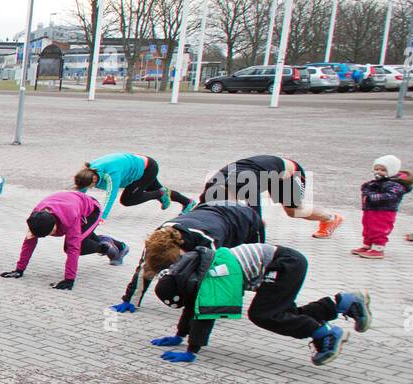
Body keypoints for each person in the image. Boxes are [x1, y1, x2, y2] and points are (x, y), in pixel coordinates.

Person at [151, 245, 372, 366]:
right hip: (284, 261)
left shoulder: (209, 281)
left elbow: (205, 315)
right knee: (284, 314)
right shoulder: (189, 274)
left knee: (263, 314)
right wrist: (179, 335)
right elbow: (194, 307)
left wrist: (192, 351)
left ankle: (325, 334)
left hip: (284, 263)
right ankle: (343, 303)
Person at [111, 201, 265, 311]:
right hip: (209, 210)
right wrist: (130, 300)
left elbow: (213, 277)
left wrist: (207, 308)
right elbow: (146, 269)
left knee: (249, 268)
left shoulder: (208, 242)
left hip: (243, 219)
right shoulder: (156, 240)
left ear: (181, 251)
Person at [0, 182, 126, 290]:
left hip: (91, 210)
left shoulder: (70, 217)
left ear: (55, 224)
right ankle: (117, 245)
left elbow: (73, 249)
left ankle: (105, 247)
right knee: (80, 238)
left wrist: (69, 280)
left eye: (51, 233)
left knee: (75, 244)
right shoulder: (36, 218)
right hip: (73, 203)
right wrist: (19, 270)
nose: (52, 235)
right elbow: (29, 243)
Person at [199, 155, 343, 238]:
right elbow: (199, 213)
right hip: (265, 172)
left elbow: (257, 222)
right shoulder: (210, 189)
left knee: (294, 211)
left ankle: (331, 218)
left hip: (288, 173)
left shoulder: (246, 186)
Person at [77, 152, 189, 221]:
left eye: (91, 185)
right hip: (137, 164)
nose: (91, 187)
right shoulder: (88, 172)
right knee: (155, 189)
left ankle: (161, 194)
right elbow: (80, 192)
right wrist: (75, 209)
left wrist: (102, 217)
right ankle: (188, 202)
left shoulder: (111, 174)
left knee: (128, 199)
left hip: (146, 169)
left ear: (94, 178)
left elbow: (110, 196)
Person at [353, 155, 413, 260]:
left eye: (383, 170)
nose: (379, 172)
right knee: (368, 227)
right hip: (371, 209)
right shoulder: (377, 182)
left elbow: (391, 196)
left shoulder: (395, 185)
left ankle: (378, 249)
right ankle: (367, 245)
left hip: (384, 211)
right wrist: (367, 189)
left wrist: (373, 196)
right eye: (376, 169)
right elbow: (367, 189)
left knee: (379, 229)